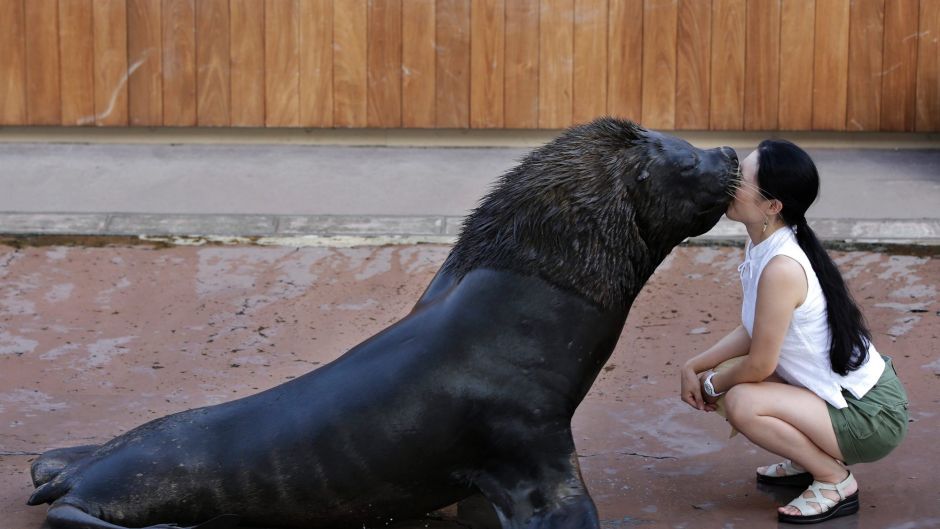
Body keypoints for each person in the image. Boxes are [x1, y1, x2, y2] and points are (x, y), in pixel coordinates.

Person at [679, 140, 909, 524]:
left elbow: (759, 363)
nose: (729, 182)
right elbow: (755, 328)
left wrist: (711, 384)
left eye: (741, 179)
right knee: (744, 380)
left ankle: (834, 479)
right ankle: (810, 458)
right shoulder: (767, 245)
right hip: (853, 397)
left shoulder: (782, 266)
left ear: (773, 206)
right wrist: (693, 364)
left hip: (870, 416)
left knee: (743, 401)